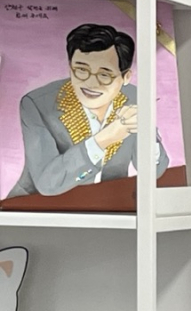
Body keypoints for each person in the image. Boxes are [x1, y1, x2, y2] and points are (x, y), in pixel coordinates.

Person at [8, 23, 169, 197]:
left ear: (125, 77)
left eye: (105, 74)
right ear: (70, 66)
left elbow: (154, 170)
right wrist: (104, 138)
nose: (91, 83)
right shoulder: (37, 104)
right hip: (34, 206)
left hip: (107, 204)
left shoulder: (135, 98)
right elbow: (48, 183)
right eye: (81, 70)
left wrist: (147, 134)